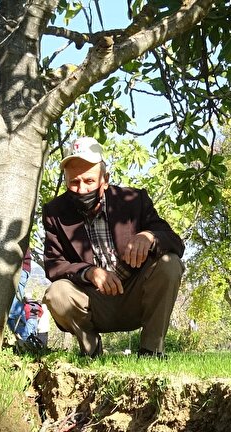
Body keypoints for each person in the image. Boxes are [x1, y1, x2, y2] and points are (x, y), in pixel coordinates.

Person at [42, 137, 185, 358]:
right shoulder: (54, 211)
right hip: (92, 301)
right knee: (56, 293)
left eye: (89, 181)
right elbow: (54, 265)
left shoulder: (134, 199)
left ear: (105, 180)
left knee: (170, 263)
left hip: (135, 297)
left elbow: (174, 241)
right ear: (66, 180)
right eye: (74, 182)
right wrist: (88, 272)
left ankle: (151, 350)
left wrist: (149, 236)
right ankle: (90, 349)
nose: (81, 189)